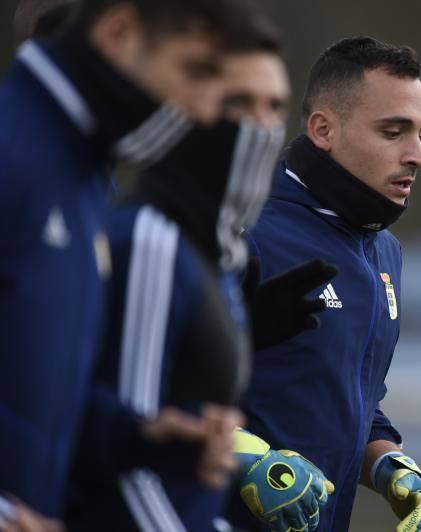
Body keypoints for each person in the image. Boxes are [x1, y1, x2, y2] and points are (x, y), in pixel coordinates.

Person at [0, 0, 272, 528]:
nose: (200, 109)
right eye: (194, 72)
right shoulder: (14, 153)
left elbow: (32, 392)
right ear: (119, 32)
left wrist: (142, 438)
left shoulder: (82, 177)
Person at [236, 36, 421, 532]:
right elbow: (153, 384)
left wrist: (391, 465)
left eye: (420, 133)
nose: (418, 155)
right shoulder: (245, 232)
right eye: (394, 132)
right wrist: (244, 458)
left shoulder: (385, 251)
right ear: (324, 129)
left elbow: (352, 399)